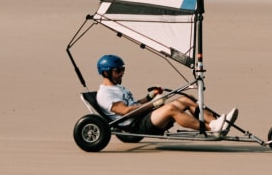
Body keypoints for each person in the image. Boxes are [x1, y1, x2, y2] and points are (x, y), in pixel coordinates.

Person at [94, 54, 238, 137]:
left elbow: (133, 104)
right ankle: (211, 129)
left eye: (123, 69)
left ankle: (216, 123)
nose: (122, 73)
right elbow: (126, 112)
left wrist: (150, 96)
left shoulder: (116, 88)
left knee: (185, 99)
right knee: (171, 109)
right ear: (106, 72)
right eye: (118, 70)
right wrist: (154, 104)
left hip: (142, 116)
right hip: (135, 126)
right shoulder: (105, 94)